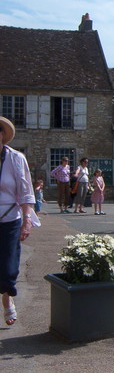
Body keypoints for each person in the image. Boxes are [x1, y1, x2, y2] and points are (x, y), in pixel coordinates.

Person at [0, 116, 40, 326]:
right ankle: (8, 303)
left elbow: (26, 193)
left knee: (8, 268)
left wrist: (27, 220)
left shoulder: (16, 158)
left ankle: (8, 299)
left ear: (2, 136)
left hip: (9, 219)